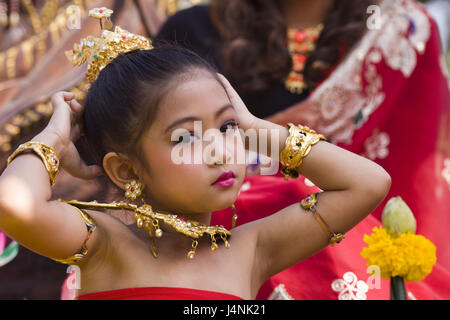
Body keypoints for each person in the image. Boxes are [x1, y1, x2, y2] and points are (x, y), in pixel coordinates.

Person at [0, 11, 391, 300]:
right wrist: (56, 135)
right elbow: (12, 204)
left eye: (225, 129)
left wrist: (252, 127)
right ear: (124, 169)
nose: (220, 151)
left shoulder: (253, 249)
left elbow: (368, 184)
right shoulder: (102, 244)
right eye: (185, 138)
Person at [154, 0, 450, 299]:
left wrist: (254, 132)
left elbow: (409, 175)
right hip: (215, 248)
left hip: (355, 239)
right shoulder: (191, 31)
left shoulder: (399, 30)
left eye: (228, 126)